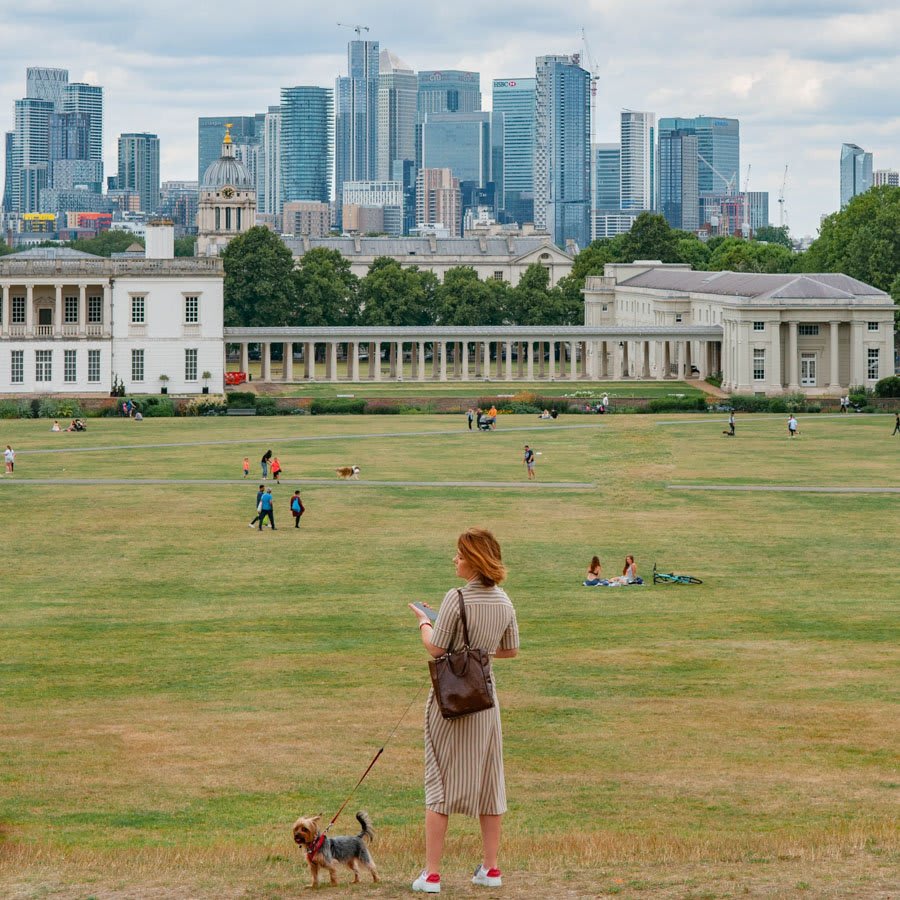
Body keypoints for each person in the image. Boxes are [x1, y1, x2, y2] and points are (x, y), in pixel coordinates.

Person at [408, 528, 519, 894]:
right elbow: (509, 650)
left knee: (439, 781)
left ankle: (433, 874)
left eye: (458, 554)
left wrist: (425, 623)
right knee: (490, 783)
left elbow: (437, 649)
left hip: (451, 705)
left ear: (473, 559)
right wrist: (478, 651)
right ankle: (490, 868)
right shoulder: (504, 601)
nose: (454, 559)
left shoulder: (455, 598)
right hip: (486, 703)